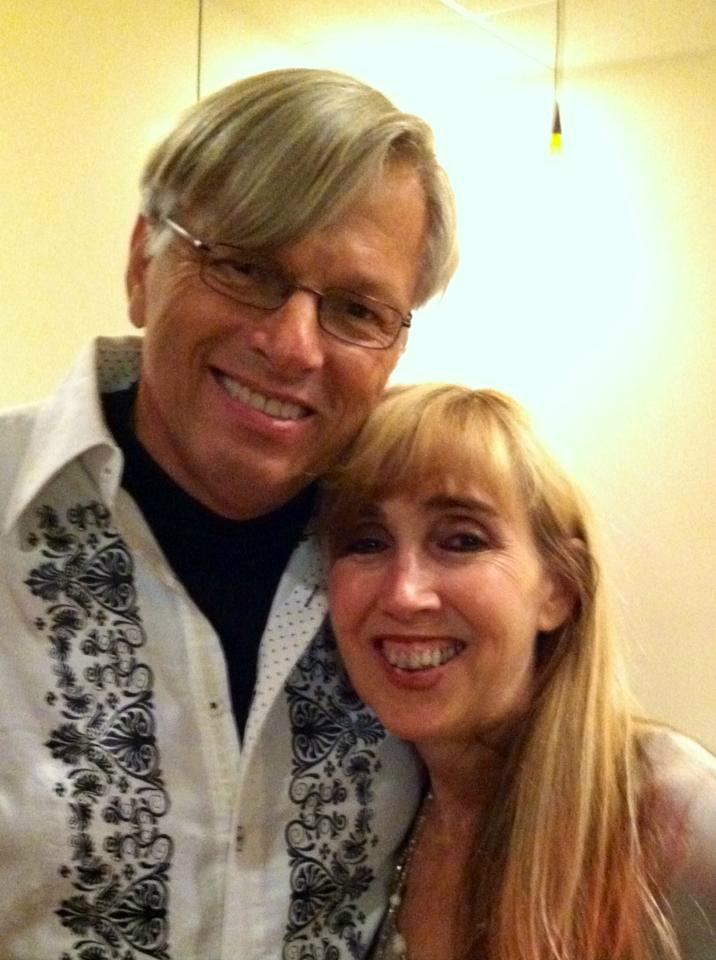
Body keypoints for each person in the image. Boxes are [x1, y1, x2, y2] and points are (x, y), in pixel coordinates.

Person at [0, 70, 458, 959]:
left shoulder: (420, 571)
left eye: (355, 309)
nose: (292, 346)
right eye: (245, 267)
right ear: (143, 265)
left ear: (396, 344)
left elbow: (559, 748)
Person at [323, 384, 716, 960]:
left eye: (462, 540)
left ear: (558, 589)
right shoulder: (382, 810)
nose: (404, 593)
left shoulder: (669, 811)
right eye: (368, 541)